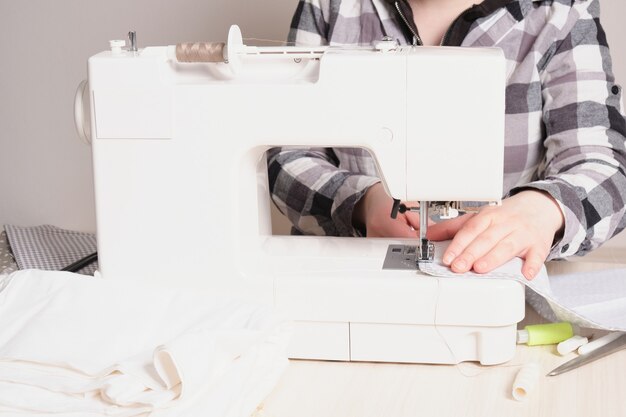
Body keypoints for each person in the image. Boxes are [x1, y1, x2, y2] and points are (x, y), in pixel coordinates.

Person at [268, 0, 626, 279]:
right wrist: (360, 203)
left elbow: (606, 169)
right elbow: (288, 153)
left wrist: (545, 210)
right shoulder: (331, 7)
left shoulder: (561, 13)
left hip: (497, 278)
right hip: (341, 277)